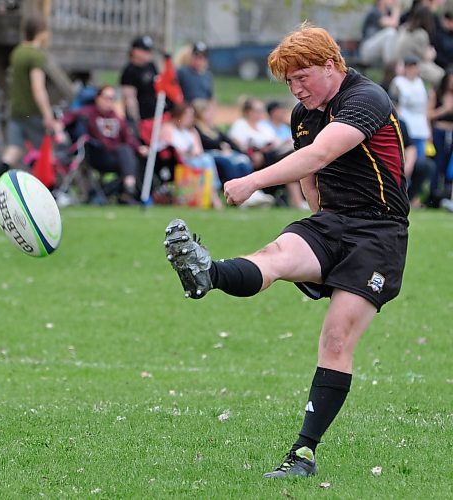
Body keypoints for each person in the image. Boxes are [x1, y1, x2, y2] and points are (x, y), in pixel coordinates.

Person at [163, 23, 409, 478]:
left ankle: (304, 454)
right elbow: (311, 182)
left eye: (303, 78)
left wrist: (253, 179)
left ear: (332, 65)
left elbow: (317, 157)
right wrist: (317, 231)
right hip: (332, 222)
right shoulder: (303, 113)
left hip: (379, 234)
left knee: (335, 339)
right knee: (276, 255)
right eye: (290, 83)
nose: (296, 90)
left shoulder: (366, 98)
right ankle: (206, 272)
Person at [0, 14, 62, 178]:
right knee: (46, 151)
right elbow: (38, 87)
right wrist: (47, 114)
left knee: (12, 150)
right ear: (40, 33)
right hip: (32, 111)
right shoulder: (35, 56)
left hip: (16, 110)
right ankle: (51, 190)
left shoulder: (17, 52)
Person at [62, 85, 148, 205]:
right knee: (127, 154)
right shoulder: (89, 112)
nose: (109, 102)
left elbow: (127, 139)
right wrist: (58, 127)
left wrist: (139, 148)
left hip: (119, 157)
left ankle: (127, 190)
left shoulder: (117, 117)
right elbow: (67, 118)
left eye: (112, 98)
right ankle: (129, 186)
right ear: (98, 98)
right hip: (99, 155)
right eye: (106, 98)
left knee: (134, 156)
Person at [192, 98, 274, 208]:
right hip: (210, 155)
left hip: (222, 153)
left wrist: (242, 153)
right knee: (228, 163)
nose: (211, 114)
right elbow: (206, 143)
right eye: (207, 112)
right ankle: (237, 194)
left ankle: (251, 192)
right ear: (200, 113)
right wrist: (221, 147)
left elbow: (227, 139)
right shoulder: (197, 127)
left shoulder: (211, 127)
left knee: (243, 160)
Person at [159, 102, 223, 209]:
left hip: (193, 159)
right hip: (176, 161)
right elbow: (170, 149)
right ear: (179, 115)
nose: (190, 119)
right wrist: (187, 152)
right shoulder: (168, 128)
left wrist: (193, 152)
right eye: (187, 116)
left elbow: (199, 150)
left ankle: (211, 192)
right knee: (201, 161)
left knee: (206, 159)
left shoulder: (192, 131)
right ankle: (211, 194)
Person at [263, 100, 308, 209]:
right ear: (273, 112)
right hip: (272, 158)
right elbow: (268, 145)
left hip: (289, 154)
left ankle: (304, 199)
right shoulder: (265, 126)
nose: (283, 113)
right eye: (281, 110)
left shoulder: (285, 127)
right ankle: (298, 202)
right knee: (292, 162)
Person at [391, 5, 444, 86]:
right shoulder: (421, 34)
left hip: (397, 63)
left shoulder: (404, 27)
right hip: (411, 65)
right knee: (442, 76)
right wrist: (432, 54)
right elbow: (426, 58)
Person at [388, 56, 430, 160]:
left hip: (421, 125)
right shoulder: (398, 82)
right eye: (409, 67)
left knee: (421, 159)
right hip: (405, 121)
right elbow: (392, 102)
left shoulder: (420, 82)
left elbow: (425, 106)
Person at [119, 35, 159, 141]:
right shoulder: (129, 71)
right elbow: (130, 98)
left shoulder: (151, 66)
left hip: (154, 115)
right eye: (144, 50)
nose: (147, 54)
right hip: (141, 117)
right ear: (135, 51)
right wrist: (136, 119)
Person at [426, 67, 453, 205]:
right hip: (439, 131)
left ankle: (447, 196)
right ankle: (434, 195)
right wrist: (444, 109)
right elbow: (429, 115)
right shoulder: (437, 93)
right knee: (438, 164)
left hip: (451, 132)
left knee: (450, 166)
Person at [359, 0, 401, 67]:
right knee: (390, 32)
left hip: (379, 52)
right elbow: (394, 23)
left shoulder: (388, 13)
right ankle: (391, 68)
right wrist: (396, 7)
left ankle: (399, 66)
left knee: (396, 34)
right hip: (367, 50)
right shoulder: (374, 12)